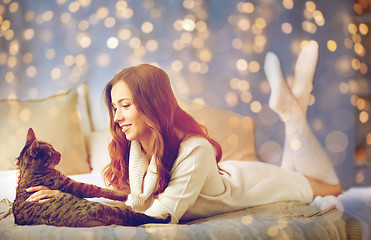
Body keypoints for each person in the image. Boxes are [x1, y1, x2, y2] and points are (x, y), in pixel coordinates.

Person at [20, 42, 342, 223]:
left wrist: (79, 206)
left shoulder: (195, 149)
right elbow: (133, 200)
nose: (117, 117)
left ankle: (292, 115)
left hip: (259, 184)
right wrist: (70, 194)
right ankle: (294, 110)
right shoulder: (139, 147)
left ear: (150, 105)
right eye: (114, 108)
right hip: (237, 175)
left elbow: (159, 217)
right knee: (295, 167)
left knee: (334, 189)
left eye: (125, 106)